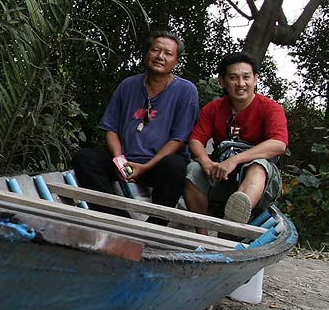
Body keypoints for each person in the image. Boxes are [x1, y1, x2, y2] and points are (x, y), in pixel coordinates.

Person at [72, 31, 200, 225]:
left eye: (167, 53)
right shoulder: (128, 85)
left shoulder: (186, 91)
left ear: (176, 61)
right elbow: (111, 129)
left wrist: (147, 167)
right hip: (125, 162)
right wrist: (120, 161)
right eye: (155, 50)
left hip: (158, 165)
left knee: (176, 166)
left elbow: (179, 139)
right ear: (146, 54)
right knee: (85, 158)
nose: (160, 56)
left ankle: (155, 225)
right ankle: (117, 220)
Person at [183, 52, 288, 230]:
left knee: (258, 167)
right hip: (221, 175)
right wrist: (206, 161)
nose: (240, 84)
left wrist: (235, 160)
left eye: (246, 77)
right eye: (233, 78)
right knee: (192, 169)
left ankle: (233, 225)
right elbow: (195, 140)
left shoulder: (270, 108)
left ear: (255, 79)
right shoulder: (214, 108)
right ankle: (202, 234)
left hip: (260, 183)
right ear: (223, 81)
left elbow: (278, 144)